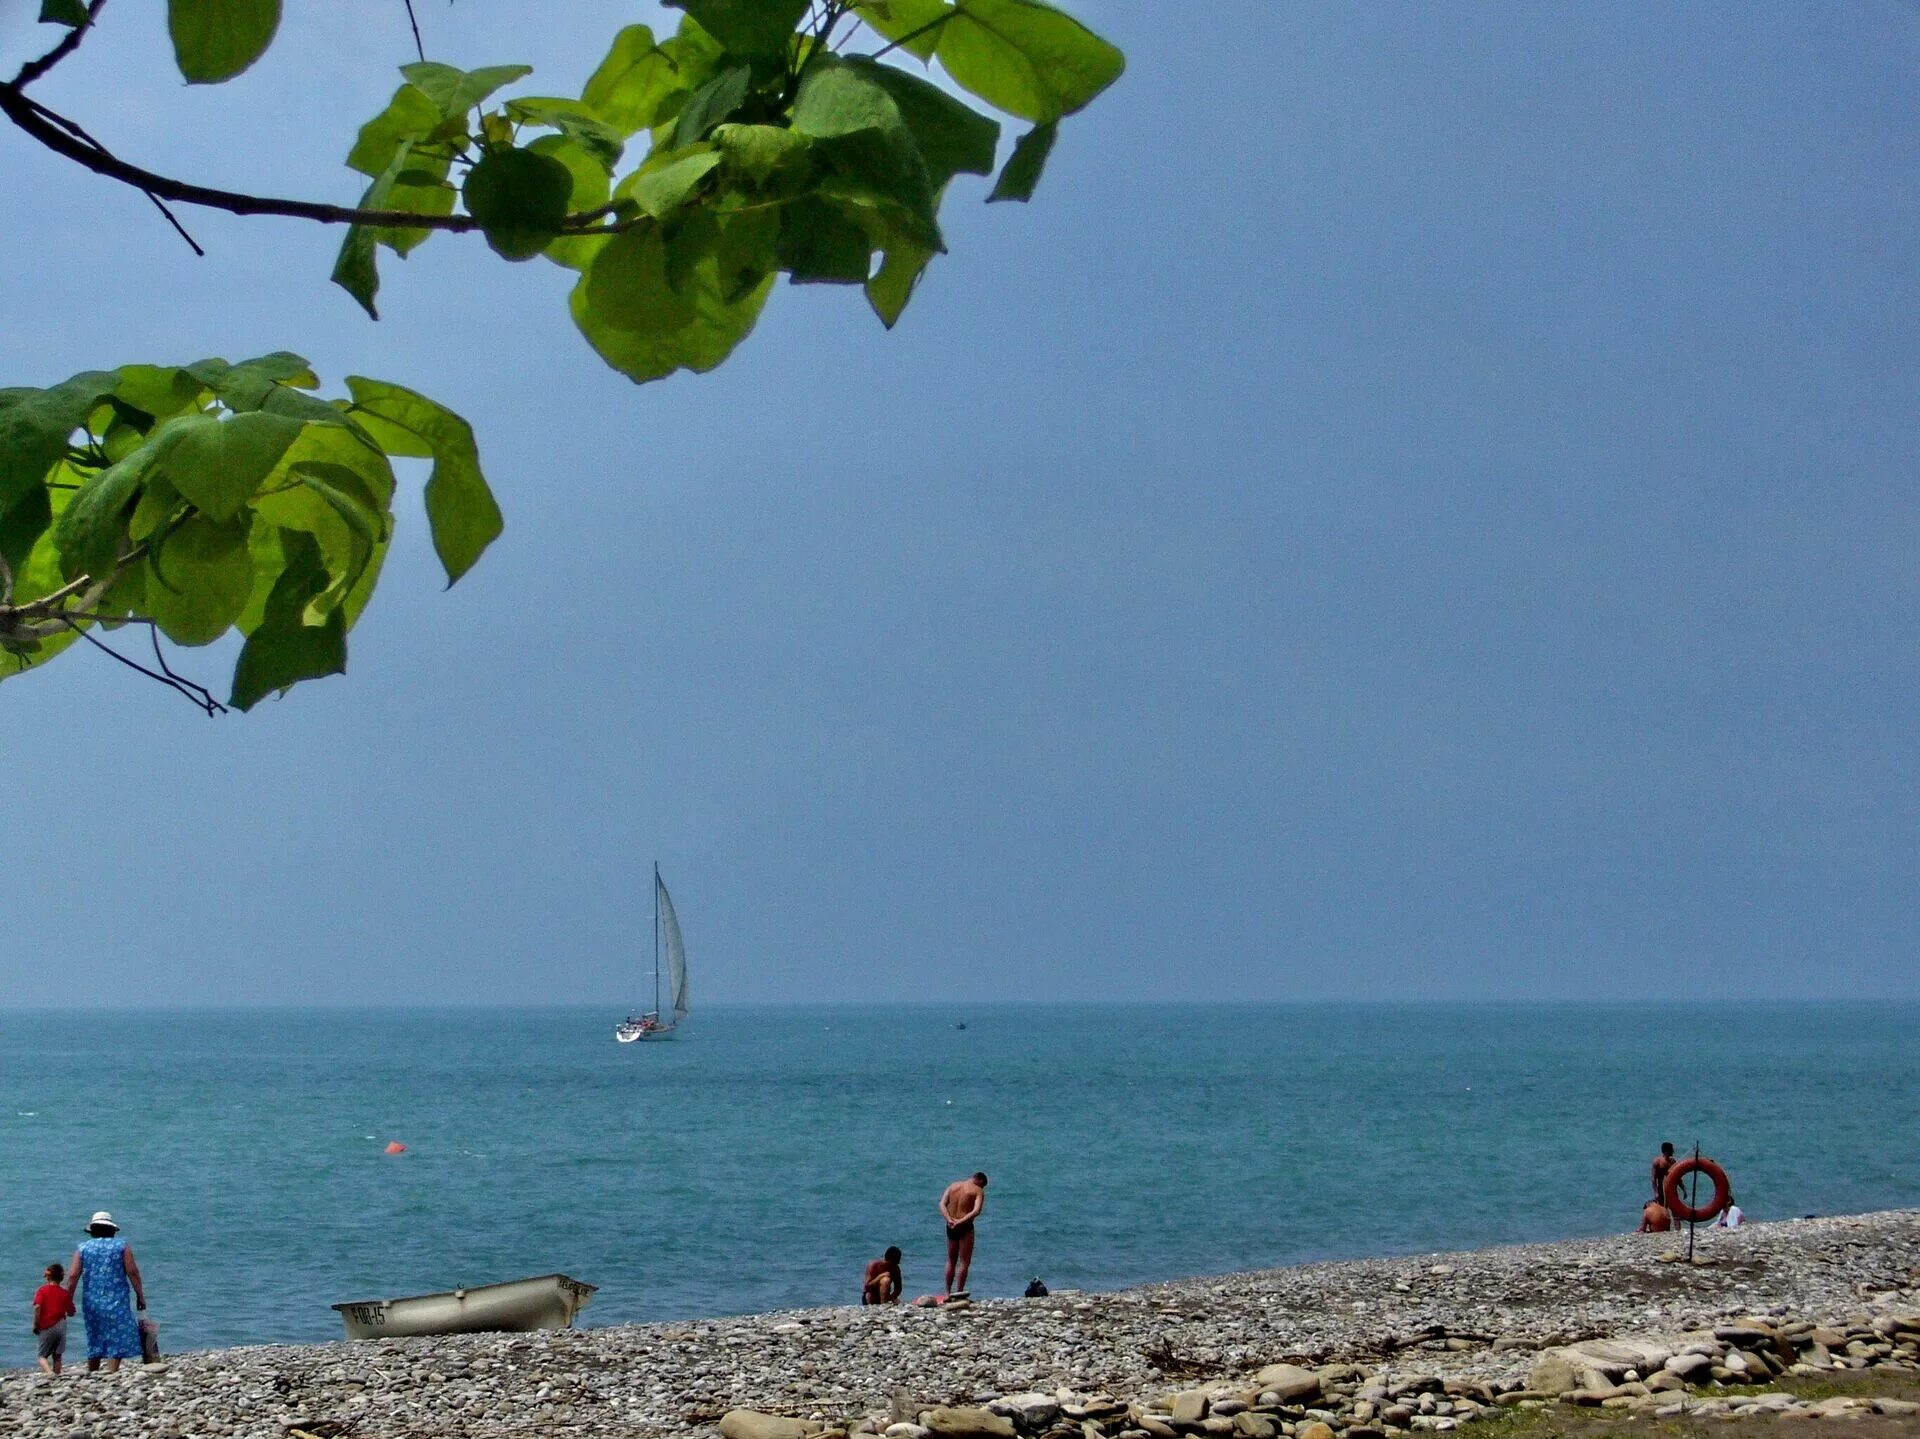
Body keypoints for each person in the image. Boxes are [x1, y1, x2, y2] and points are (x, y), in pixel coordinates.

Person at [66, 1211, 146, 1373]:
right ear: (112, 1230)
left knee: (95, 1332)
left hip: (92, 1299)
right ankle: (112, 1370)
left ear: (92, 1230)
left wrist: (68, 1299)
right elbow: (132, 1272)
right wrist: (140, 1295)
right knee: (117, 1332)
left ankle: (92, 1370)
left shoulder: (83, 1248)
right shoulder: (121, 1246)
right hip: (117, 1298)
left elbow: (73, 1275)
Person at [939, 1172, 987, 1295]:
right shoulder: (977, 1190)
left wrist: (949, 1219)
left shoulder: (953, 1185)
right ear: (980, 1181)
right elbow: (976, 1211)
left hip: (950, 1225)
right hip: (965, 1226)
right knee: (964, 1262)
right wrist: (961, 1221)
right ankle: (959, 1292)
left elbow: (942, 1204)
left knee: (951, 1260)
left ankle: (947, 1293)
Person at [32, 1262, 75, 1376]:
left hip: (47, 1325)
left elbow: (37, 1307)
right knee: (57, 1356)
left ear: (48, 1276)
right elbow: (71, 1312)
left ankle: (50, 1373)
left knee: (42, 1356)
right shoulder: (64, 1293)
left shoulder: (42, 1291)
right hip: (61, 1324)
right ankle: (57, 1374)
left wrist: (36, 1324)